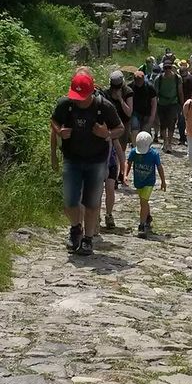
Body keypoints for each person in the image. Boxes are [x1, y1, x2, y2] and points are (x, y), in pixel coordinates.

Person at [51, 72, 123, 255]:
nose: (78, 101)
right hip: (72, 158)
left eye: (82, 98)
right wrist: (60, 132)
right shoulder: (65, 105)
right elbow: (54, 121)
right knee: (69, 200)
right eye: (76, 97)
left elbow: (120, 129)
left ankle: (88, 239)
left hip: (96, 160)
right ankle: (76, 228)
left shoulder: (104, 107)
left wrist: (105, 134)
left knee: (91, 203)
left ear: (91, 92)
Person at [125, 131, 166, 238]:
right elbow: (128, 163)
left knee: (143, 202)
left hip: (149, 182)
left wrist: (163, 181)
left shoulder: (154, 154)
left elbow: (159, 167)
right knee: (144, 201)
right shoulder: (134, 152)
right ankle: (147, 217)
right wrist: (125, 175)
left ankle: (141, 225)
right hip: (139, 182)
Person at [154, 59, 184, 153]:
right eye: (165, 68)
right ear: (163, 68)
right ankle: (165, 142)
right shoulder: (158, 79)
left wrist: (182, 104)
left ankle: (169, 143)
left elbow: (180, 92)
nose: (167, 69)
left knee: (171, 123)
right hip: (162, 103)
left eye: (169, 67)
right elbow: (156, 94)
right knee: (163, 124)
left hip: (173, 103)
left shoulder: (177, 78)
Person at [104, 70, 133, 153]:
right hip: (111, 125)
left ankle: (120, 165)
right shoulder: (106, 93)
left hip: (124, 123)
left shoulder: (128, 92)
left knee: (121, 149)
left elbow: (129, 112)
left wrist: (120, 99)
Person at [130, 70, 157, 144]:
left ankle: (145, 149)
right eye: (136, 80)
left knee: (145, 133)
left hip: (147, 113)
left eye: (140, 80)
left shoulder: (149, 87)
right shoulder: (130, 87)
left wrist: (152, 115)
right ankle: (135, 148)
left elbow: (154, 102)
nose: (138, 82)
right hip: (135, 112)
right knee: (134, 130)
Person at [178, 61, 192, 145]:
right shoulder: (178, 79)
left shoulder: (191, 79)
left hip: (190, 102)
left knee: (189, 121)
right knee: (181, 121)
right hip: (181, 103)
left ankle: (188, 138)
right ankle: (182, 138)